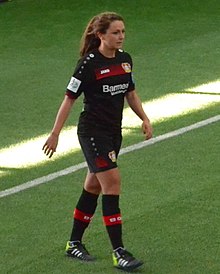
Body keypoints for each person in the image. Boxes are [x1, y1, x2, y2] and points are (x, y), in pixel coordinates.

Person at [43, 11, 153, 272]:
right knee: (112, 182)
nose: (121, 36)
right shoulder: (88, 64)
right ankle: (119, 252)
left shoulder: (125, 61)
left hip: (114, 133)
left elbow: (131, 93)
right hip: (92, 133)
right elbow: (69, 98)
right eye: (115, 32)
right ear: (101, 35)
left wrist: (145, 118)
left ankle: (74, 243)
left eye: (123, 32)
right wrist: (55, 133)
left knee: (93, 186)